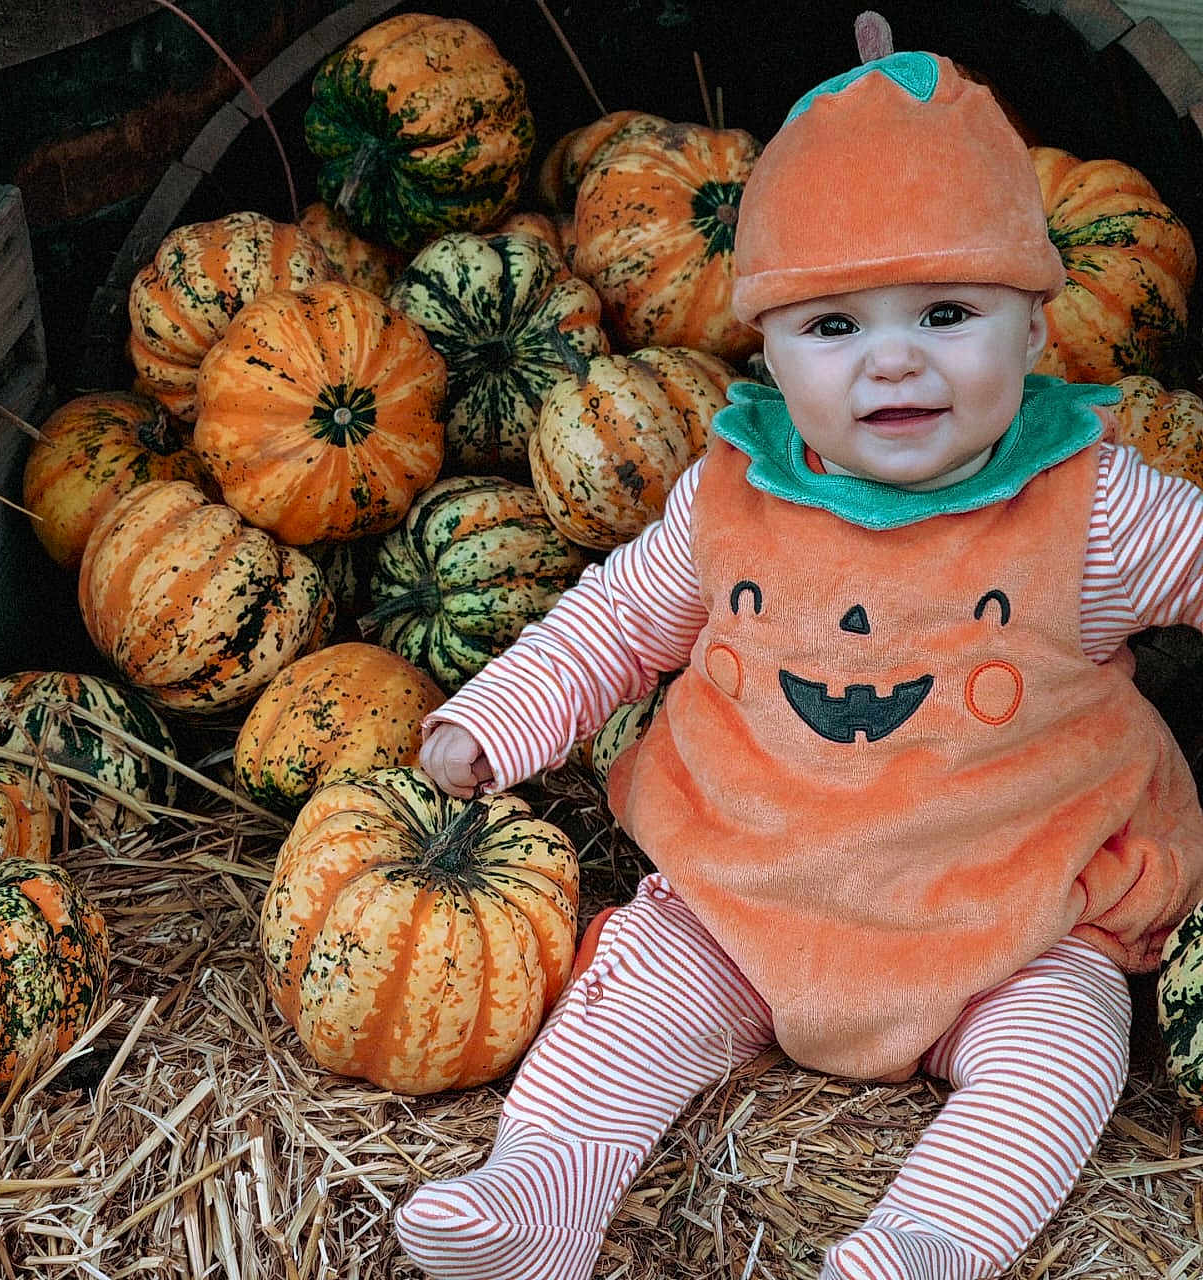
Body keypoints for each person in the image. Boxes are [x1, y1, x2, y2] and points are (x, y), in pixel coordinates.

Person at [393, 43, 1203, 1280]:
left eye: (945, 312)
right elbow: (615, 620)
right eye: (832, 324)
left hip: (1009, 912)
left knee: (1063, 1039)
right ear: (764, 346)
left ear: (1034, 324)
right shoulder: (731, 494)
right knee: (638, 985)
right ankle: (539, 1189)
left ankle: (927, 1239)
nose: (891, 360)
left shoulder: (1087, 506)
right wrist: (497, 718)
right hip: (753, 894)